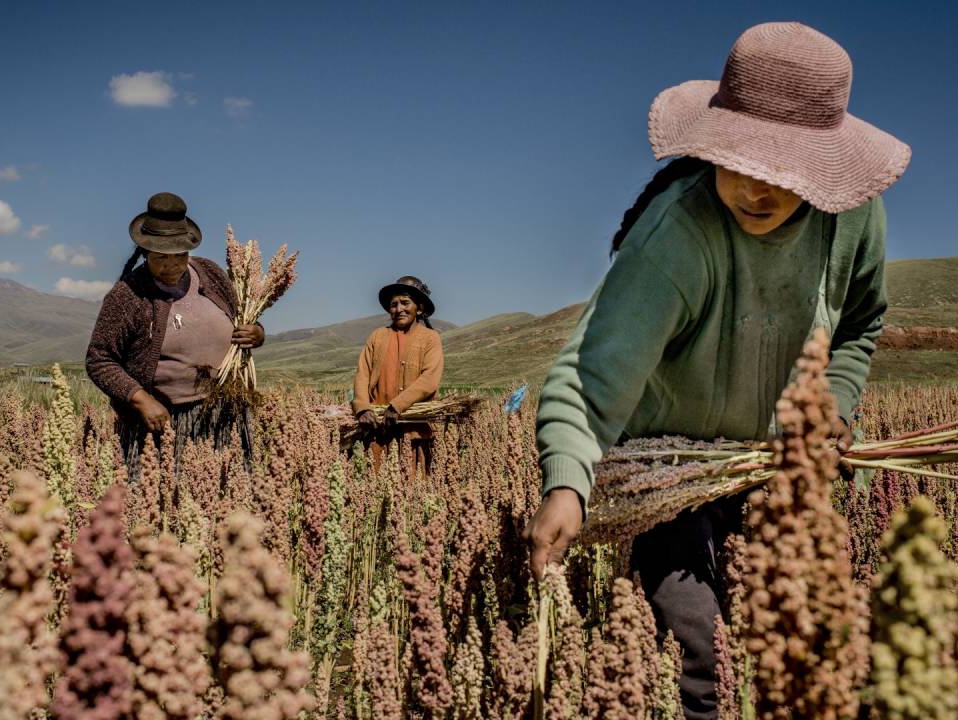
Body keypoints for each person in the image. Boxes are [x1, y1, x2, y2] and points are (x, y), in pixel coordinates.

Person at [524, 23, 909, 719]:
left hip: (772, 465)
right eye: (739, 163)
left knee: (791, 648)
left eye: (779, 174)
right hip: (670, 470)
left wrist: (835, 410)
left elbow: (859, 325)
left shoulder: (854, 221)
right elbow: (592, 374)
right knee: (695, 654)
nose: (754, 191)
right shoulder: (680, 231)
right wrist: (568, 484)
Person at [86, 192, 265, 479]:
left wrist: (256, 333)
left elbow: (242, 319)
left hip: (224, 413)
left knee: (229, 498)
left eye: (179, 256)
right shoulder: (127, 296)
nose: (172, 266)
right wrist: (140, 399)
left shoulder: (210, 273)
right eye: (161, 258)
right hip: (166, 422)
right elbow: (99, 360)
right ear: (145, 254)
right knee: (169, 506)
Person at [352, 276, 444, 475]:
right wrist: (362, 408)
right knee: (375, 491)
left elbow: (429, 380)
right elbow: (362, 374)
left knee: (412, 492)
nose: (398, 309)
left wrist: (397, 405)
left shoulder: (430, 338)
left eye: (405, 303)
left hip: (413, 432)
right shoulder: (377, 336)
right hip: (378, 431)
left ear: (419, 308)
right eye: (393, 304)